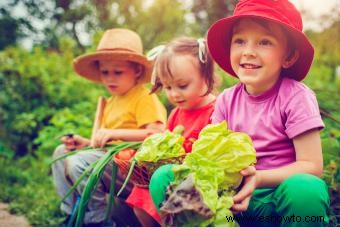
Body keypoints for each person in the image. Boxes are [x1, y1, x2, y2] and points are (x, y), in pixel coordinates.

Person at [206, 0, 330, 226]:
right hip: (234, 203)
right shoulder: (225, 100)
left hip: (278, 204)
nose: (249, 52)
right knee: (166, 177)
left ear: (289, 57)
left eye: (264, 42)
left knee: (307, 189)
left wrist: (259, 178)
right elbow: (213, 155)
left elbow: (312, 166)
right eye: (240, 41)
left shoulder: (295, 97)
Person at [51, 28, 167, 226]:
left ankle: (97, 219)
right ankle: (72, 213)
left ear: (137, 71)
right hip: (109, 160)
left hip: (131, 170)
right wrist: (86, 143)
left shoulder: (143, 97)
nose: (110, 78)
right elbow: (106, 144)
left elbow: (157, 133)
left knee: (78, 164)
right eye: (105, 72)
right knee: (60, 152)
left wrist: (112, 132)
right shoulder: (111, 102)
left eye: (118, 72)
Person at [126, 37, 217, 226]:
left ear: (206, 77)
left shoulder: (216, 110)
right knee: (141, 198)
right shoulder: (176, 114)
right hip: (170, 177)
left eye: (182, 86)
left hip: (202, 182)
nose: (174, 94)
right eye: (167, 87)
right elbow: (167, 144)